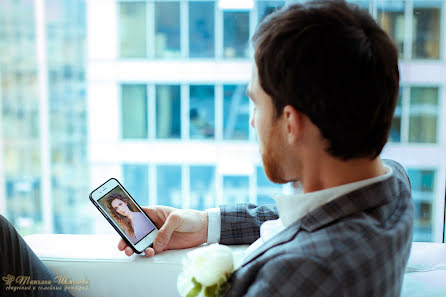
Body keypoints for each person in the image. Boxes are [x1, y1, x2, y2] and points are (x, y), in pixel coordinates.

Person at [0, 1, 413, 296]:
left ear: (291, 123)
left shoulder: (295, 276)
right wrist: (205, 224)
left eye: (256, 104)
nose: (252, 122)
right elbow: (313, 215)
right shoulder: (392, 186)